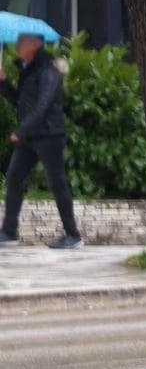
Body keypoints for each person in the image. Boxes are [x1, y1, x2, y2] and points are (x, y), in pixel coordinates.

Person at [1, 32, 82, 249]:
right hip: (31, 136)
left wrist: (21, 129)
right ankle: (9, 232)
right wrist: (3, 83)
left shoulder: (49, 69)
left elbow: (43, 105)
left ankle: (73, 235)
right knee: (14, 177)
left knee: (57, 182)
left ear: (35, 45)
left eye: (22, 41)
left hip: (48, 134)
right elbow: (21, 101)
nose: (17, 45)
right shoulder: (27, 69)